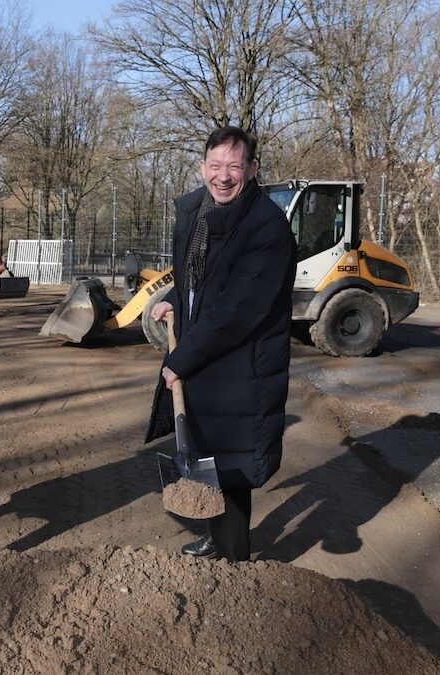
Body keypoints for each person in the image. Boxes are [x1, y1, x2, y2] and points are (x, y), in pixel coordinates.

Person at [145, 126, 296, 562]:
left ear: (252, 168)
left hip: (241, 364)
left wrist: (181, 359)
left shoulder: (266, 228)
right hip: (209, 358)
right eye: (215, 165)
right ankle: (219, 540)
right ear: (202, 167)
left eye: (234, 166)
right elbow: (199, 280)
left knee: (232, 463)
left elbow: (237, 309)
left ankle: (233, 562)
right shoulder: (199, 213)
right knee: (211, 454)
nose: (223, 176)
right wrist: (176, 300)